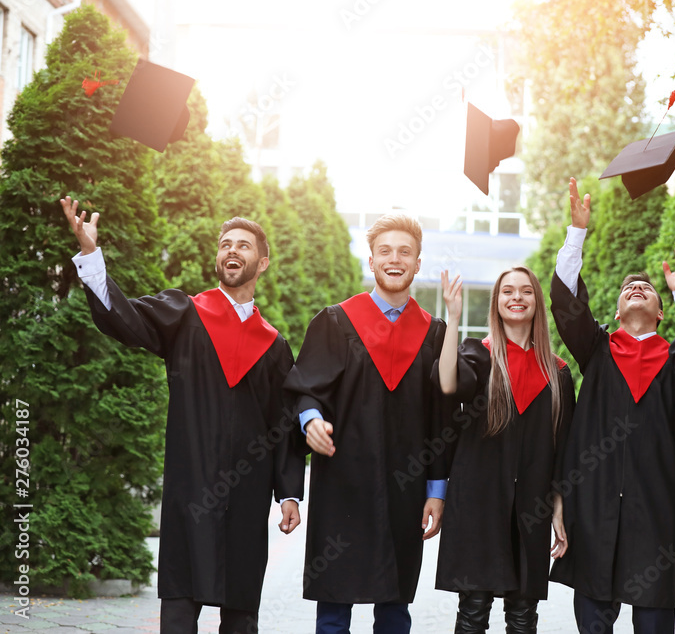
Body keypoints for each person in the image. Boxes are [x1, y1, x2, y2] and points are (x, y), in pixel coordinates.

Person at [60, 197, 304, 634]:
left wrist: (288, 493)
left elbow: (282, 423)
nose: (232, 251)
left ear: (262, 263)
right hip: (190, 488)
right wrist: (92, 256)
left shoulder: (274, 345)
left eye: (243, 246)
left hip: (247, 496)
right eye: (225, 244)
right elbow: (126, 319)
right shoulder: (185, 313)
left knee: (241, 612)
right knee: (179, 605)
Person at [548, 178, 675, 633]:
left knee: (653, 621)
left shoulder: (673, 363)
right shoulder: (598, 351)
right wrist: (577, 232)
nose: (638, 288)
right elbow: (566, 304)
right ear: (618, 311)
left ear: (662, 313)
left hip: (652, 505)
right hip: (595, 505)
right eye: (629, 289)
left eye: (648, 289)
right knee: (593, 620)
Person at [284, 213, 449, 634]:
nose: (395, 259)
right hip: (342, 481)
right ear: (372, 261)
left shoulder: (433, 333)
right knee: (335, 606)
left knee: (395, 606)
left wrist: (436, 490)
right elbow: (307, 387)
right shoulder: (336, 322)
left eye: (405, 252)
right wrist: (311, 421)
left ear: (417, 263)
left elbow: (441, 418)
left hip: (406, 487)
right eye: (386, 251)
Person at [434, 266, 575, 634]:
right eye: (507, 291)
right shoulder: (478, 357)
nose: (517, 298)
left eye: (526, 291)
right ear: (496, 303)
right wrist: (453, 317)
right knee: (473, 610)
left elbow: (564, 447)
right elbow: (447, 384)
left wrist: (559, 507)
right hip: (478, 500)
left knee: (523, 613)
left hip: (531, 504)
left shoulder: (557, 373)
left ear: (537, 302)